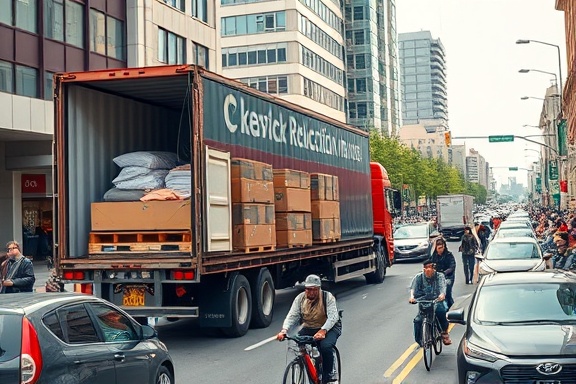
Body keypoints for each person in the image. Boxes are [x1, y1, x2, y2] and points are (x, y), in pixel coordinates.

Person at [277, 275, 341, 383]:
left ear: (319, 289)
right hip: (310, 326)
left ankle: (329, 372)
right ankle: (308, 364)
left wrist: (323, 330)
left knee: (325, 347)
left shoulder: (327, 297)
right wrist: (284, 330)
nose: (310, 292)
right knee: (298, 341)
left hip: (329, 327)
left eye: (313, 289)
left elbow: (333, 317)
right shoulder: (300, 298)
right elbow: (292, 315)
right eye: (308, 289)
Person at [409, 259, 452, 346]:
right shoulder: (419, 277)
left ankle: (444, 332)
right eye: (426, 268)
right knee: (418, 320)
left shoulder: (439, 276)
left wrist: (442, 294)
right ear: (423, 269)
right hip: (423, 301)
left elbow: (442, 287)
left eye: (430, 267)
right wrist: (412, 297)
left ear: (433, 268)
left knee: (441, 311)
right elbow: (413, 289)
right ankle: (420, 340)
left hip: (436, 300)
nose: (428, 270)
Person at [428, 237, 456, 308]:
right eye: (438, 248)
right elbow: (430, 264)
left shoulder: (449, 255)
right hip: (437, 277)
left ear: (444, 247)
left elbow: (452, 267)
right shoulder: (434, 256)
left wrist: (444, 273)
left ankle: (451, 309)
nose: (440, 250)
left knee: (447, 294)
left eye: (441, 248)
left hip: (448, 277)